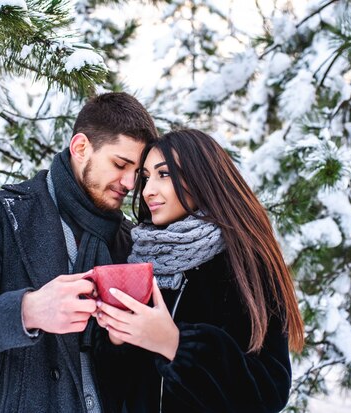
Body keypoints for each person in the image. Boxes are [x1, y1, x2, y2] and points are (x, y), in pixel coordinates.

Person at [0, 92, 158, 412]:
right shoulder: (1, 213)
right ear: (81, 148)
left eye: (137, 172)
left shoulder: (127, 240)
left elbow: (131, 371)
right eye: (120, 164)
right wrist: (28, 310)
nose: (130, 183)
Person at [94, 129, 305, 412]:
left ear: (202, 177)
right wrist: (117, 340)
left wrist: (176, 345)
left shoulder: (243, 263)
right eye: (145, 178)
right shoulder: (142, 258)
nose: (147, 191)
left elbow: (269, 390)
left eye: (164, 174)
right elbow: (120, 389)